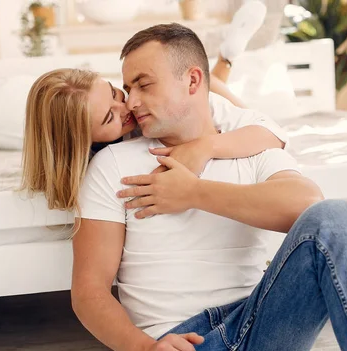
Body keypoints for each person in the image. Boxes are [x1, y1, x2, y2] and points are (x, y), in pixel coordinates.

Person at [72, 22, 347, 351]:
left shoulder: (247, 144)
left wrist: (195, 192)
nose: (132, 102)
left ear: (192, 81)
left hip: (260, 331)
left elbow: (308, 208)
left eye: (144, 84)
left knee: (342, 218)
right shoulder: (113, 165)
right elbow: (90, 290)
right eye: (128, 88)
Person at [20, 0, 279, 213]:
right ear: (82, 142)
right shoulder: (91, 165)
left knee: (210, 90)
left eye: (115, 93)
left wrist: (203, 146)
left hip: (204, 90)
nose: (128, 106)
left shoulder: (162, 111)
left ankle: (228, 56)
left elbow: (269, 132)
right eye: (110, 117)